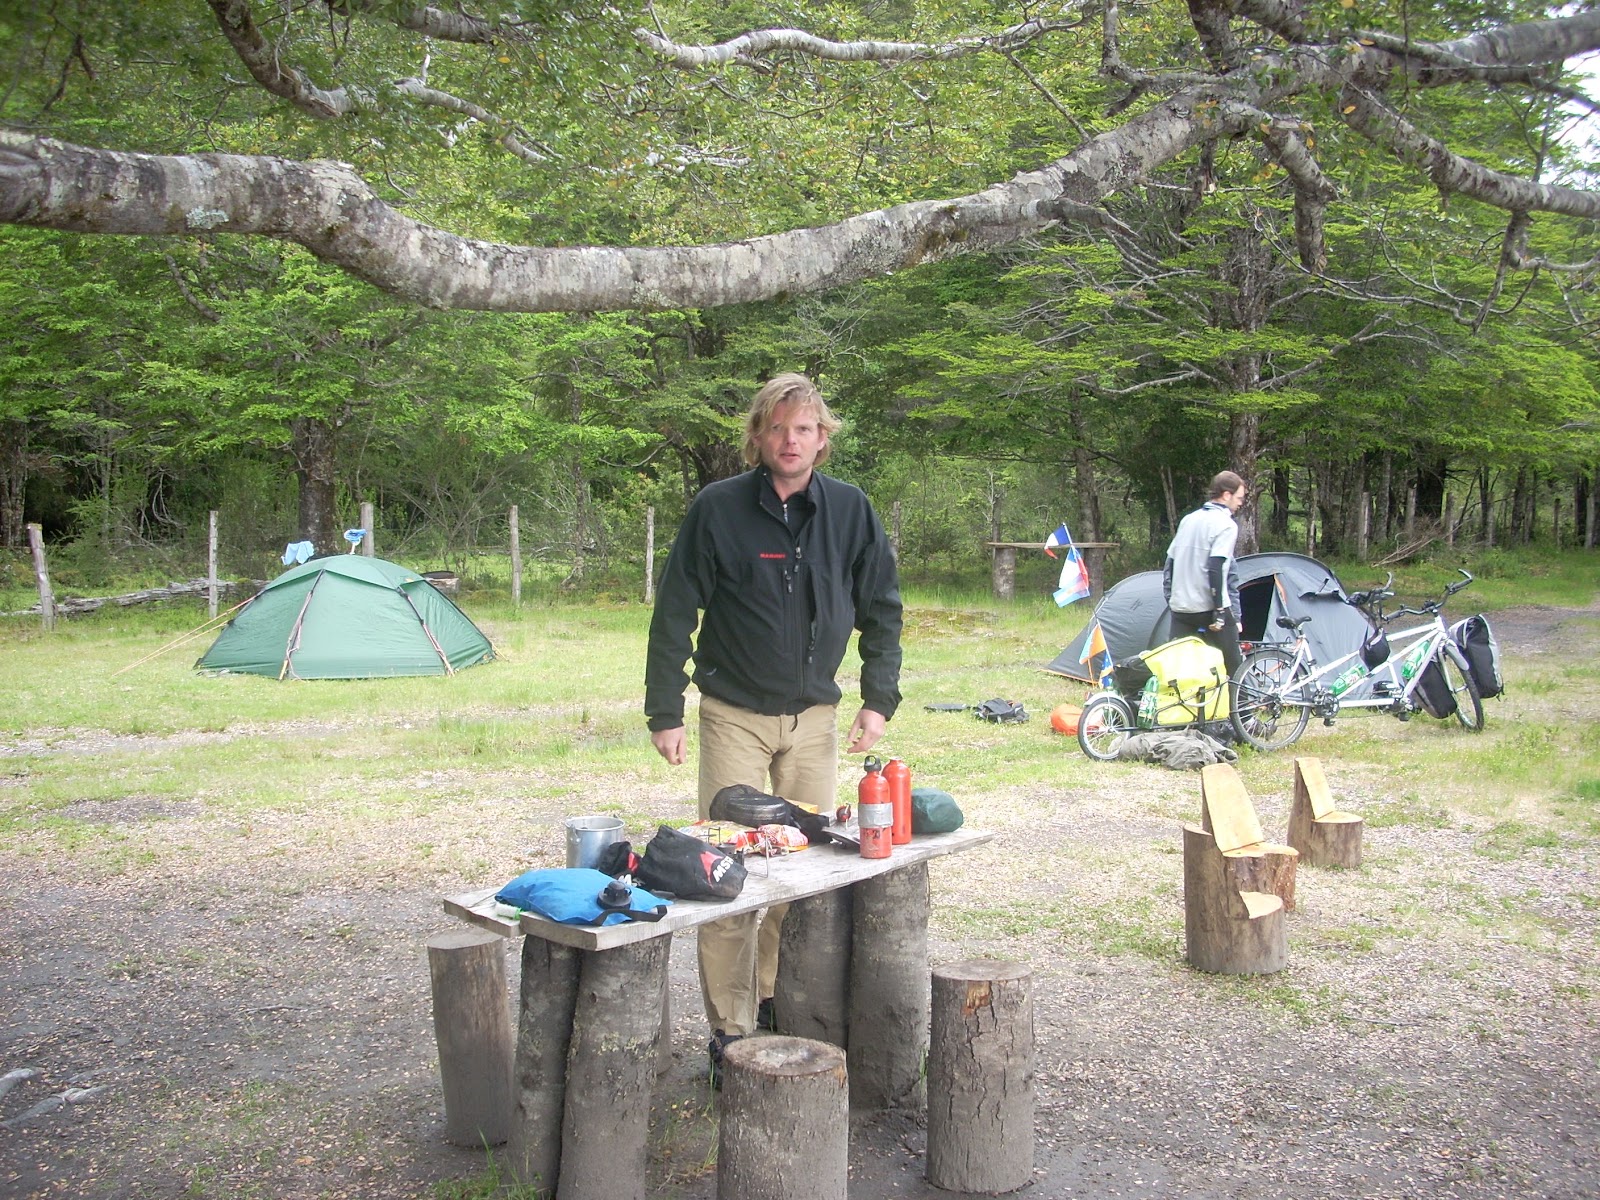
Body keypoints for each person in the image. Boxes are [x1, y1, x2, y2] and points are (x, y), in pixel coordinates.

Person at [644, 372, 903, 1084]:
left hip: (814, 720)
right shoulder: (717, 509)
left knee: (802, 874)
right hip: (733, 715)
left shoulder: (851, 511)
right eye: (779, 428)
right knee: (725, 873)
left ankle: (775, 1009)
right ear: (757, 436)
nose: (792, 441)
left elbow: (882, 608)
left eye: (806, 429)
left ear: (824, 439)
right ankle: (728, 1034)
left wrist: (878, 699)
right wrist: (664, 708)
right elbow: (675, 611)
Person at [1163, 470, 1248, 677]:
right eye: (1239, 498)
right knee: (1233, 667)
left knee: (1177, 668)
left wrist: (1171, 598)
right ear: (1226, 495)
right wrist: (1219, 610)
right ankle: (1243, 710)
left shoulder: (1189, 520)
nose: (1240, 503)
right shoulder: (1226, 524)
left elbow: (1170, 564)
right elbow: (1215, 567)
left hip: (1181, 608)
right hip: (1208, 608)